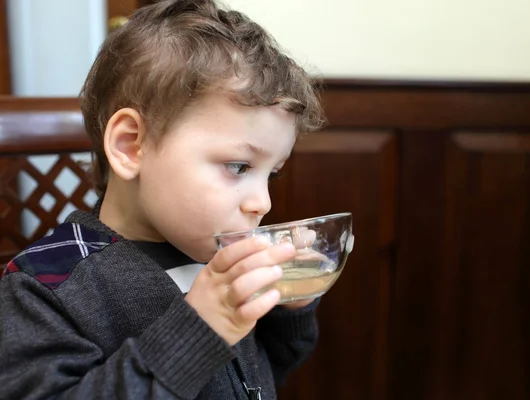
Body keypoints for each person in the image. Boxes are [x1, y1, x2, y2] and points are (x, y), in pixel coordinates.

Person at [0, 0, 325, 399]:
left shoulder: (213, 251)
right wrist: (202, 329)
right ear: (131, 146)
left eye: (271, 174)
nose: (262, 203)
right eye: (239, 166)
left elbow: (263, 372)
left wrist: (290, 310)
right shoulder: (45, 288)